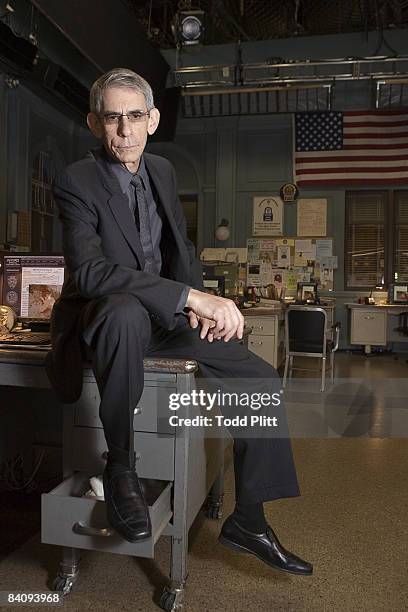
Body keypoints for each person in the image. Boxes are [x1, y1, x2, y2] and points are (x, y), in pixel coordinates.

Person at [46, 68, 312, 576]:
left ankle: (250, 521)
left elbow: (179, 249)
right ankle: (121, 462)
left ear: (153, 120)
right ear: (93, 123)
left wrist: (198, 301)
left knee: (258, 379)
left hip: (163, 317)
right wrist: (189, 296)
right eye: (112, 118)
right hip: (107, 319)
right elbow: (91, 272)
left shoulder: (163, 171)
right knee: (122, 310)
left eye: (135, 117)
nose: (124, 130)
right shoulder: (77, 179)